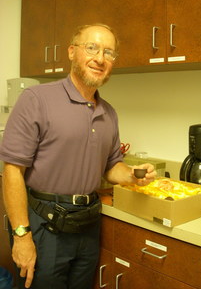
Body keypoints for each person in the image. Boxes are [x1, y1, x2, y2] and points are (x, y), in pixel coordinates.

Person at [0, 23, 156, 289]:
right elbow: (12, 171)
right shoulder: (37, 99)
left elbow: (110, 167)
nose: (100, 58)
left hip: (88, 226)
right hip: (44, 228)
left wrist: (132, 174)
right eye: (92, 48)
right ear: (72, 52)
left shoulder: (109, 113)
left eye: (109, 53)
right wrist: (22, 236)